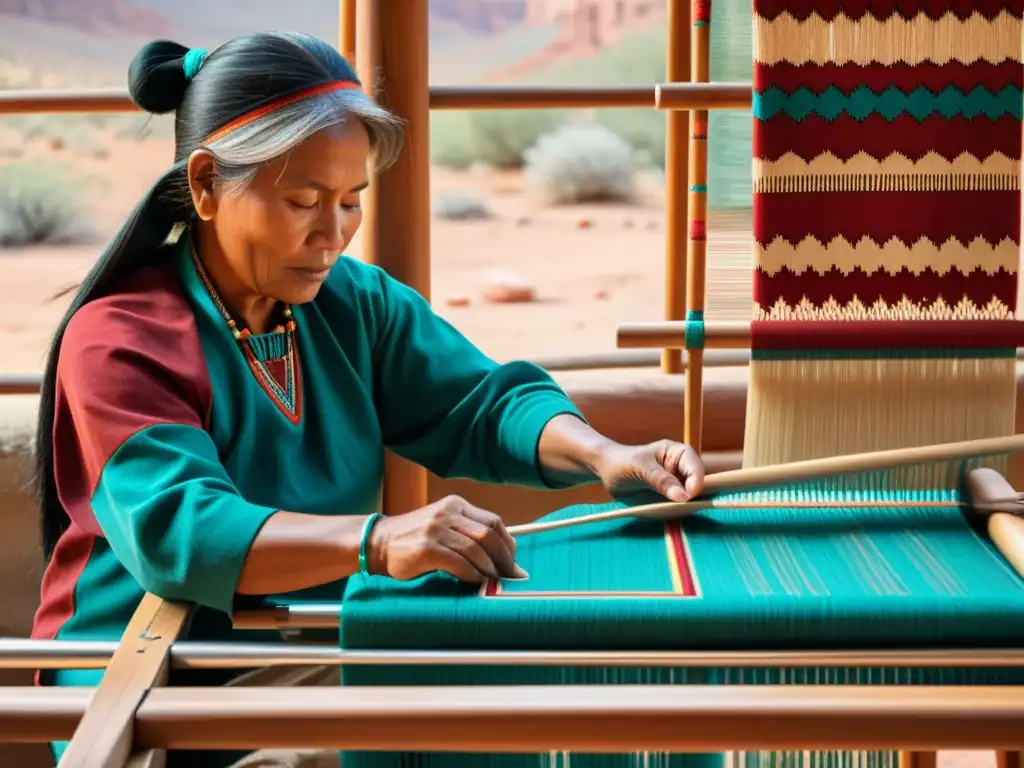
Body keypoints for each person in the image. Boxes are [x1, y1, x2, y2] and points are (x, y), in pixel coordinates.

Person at [30, 31, 705, 768]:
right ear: (203, 185)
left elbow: (478, 401)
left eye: (352, 201)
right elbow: (183, 532)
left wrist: (604, 454)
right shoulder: (120, 339)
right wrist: (378, 542)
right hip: (149, 678)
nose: (333, 235)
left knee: (531, 703)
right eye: (303, 201)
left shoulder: (352, 304)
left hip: (296, 645)